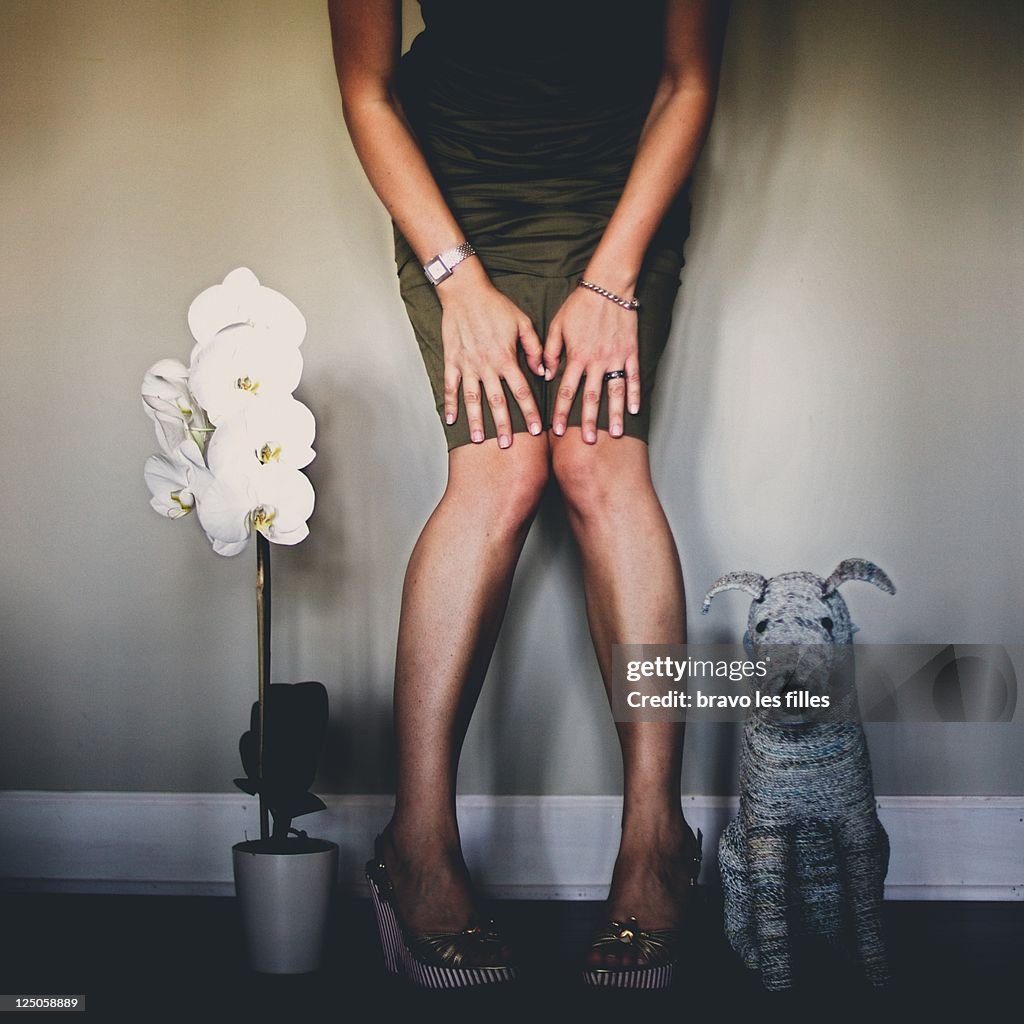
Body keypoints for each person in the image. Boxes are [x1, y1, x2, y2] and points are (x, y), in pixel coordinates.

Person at [328, 0, 727, 989]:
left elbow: (688, 78)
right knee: (501, 466)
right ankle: (414, 846)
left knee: (598, 459)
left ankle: (655, 842)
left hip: (623, 181)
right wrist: (456, 280)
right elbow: (366, 88)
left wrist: (612, 280)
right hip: (454, 192)